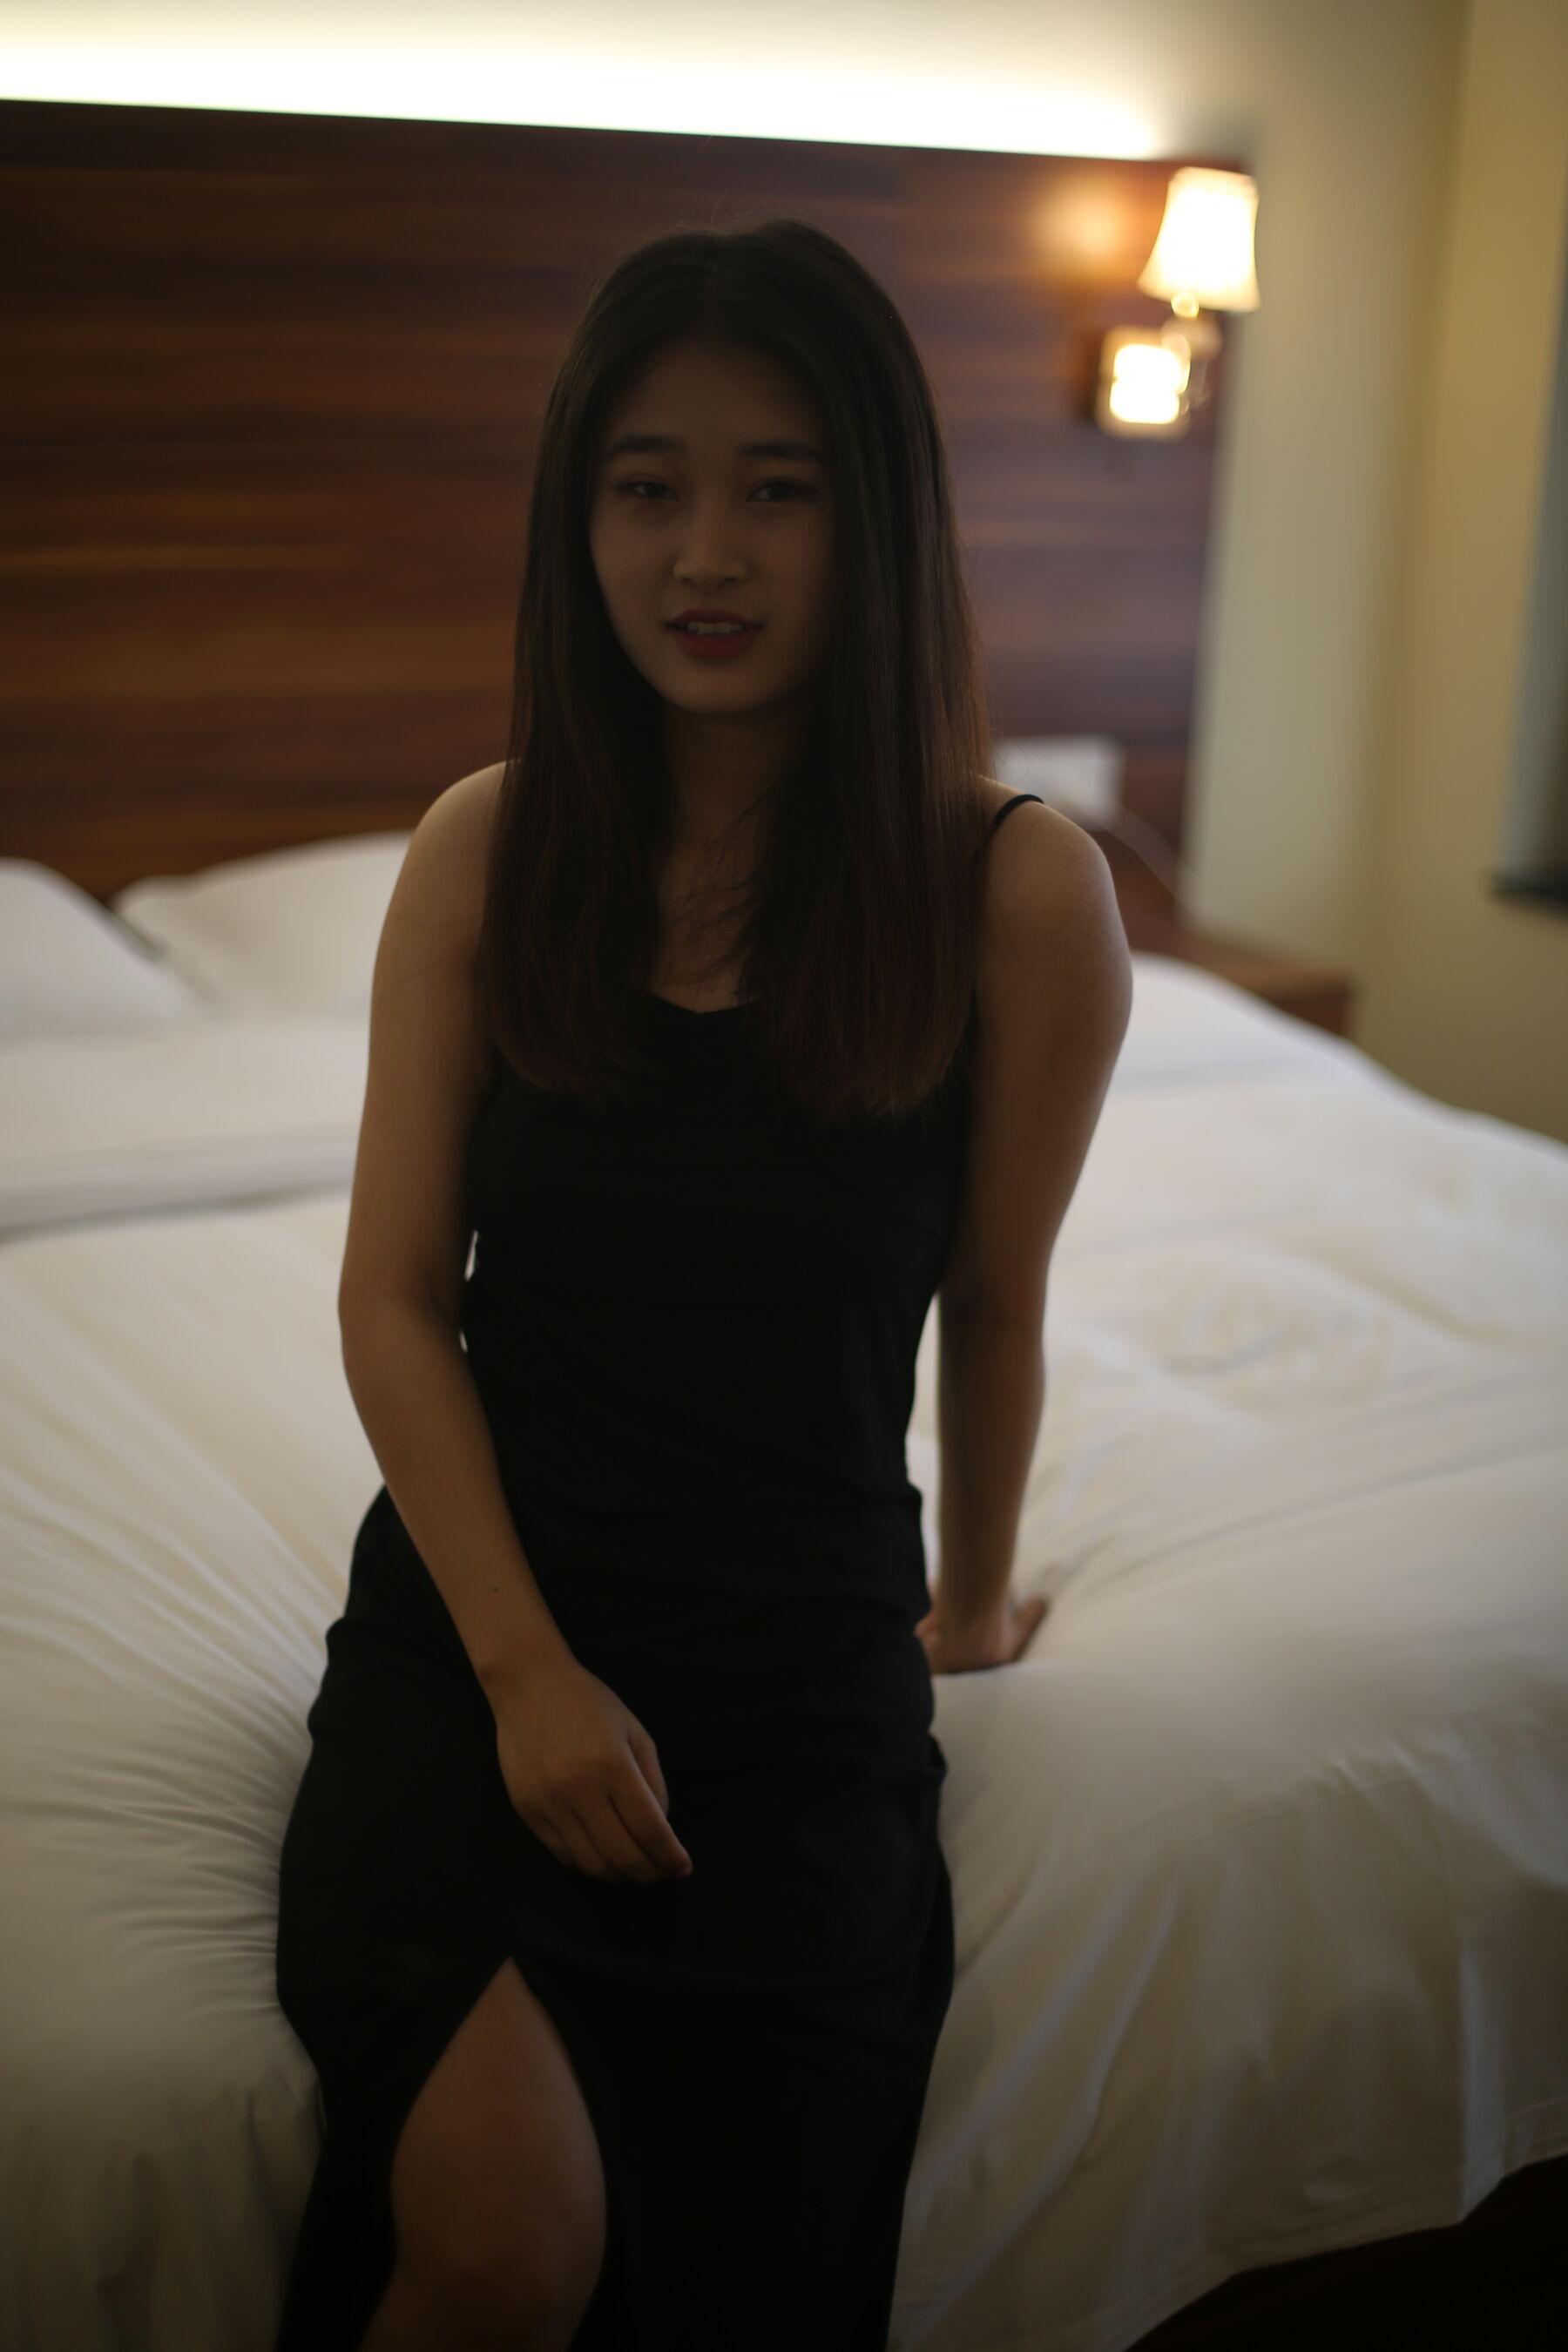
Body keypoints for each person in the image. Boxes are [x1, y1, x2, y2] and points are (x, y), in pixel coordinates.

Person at [272, 215, 1132, 2352]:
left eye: (779, 487)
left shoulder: (1017, 895)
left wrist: (971, 1609)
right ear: (578, 520)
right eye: (646, 486)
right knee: (500, 2245)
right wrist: (524, 1676)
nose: (705, 553)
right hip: (483, 1636)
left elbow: (995, 1302)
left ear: (879, 517)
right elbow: (394, 1298)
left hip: (795, 1688)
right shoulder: (490, 851)